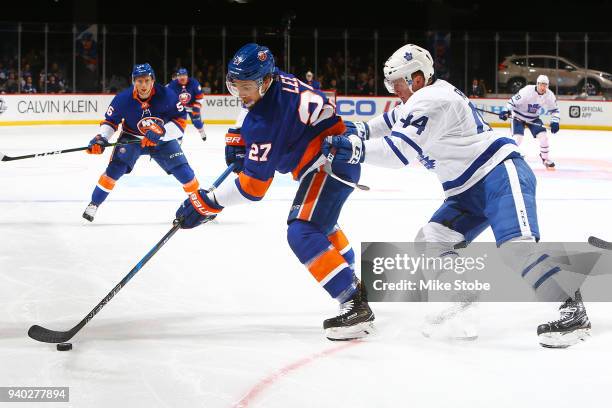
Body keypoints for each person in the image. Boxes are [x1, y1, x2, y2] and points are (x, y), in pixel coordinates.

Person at [324, 44, 590, 348]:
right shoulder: (422, 98)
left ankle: (572, 308)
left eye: (397, 82)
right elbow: (384, 124)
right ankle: (462, 299)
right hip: (466, 188)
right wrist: (352, 130)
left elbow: (397, 153)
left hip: (498, 173)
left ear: (418, 78)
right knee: (431, 239)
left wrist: (352, 148)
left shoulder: (431, 100)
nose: (394, 89)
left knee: (516, 249)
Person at [175, 43, 375, 341]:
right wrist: (237, 135)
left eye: (247, 86)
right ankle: (352, 281)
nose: (241, 94)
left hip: (329, 165)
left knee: (303, 231)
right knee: (322, 224)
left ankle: (355, 303)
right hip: (334, 158)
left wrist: (209, 202)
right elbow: (254, 110)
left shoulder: (266, 122)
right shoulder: (275, 81)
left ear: (266, 81)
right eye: (235, 85)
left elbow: (253, 189)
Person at [82, 63, 201, 222]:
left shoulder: (168, 95)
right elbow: (110, 122)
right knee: (114, 170)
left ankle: (201, 205)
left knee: (185, 173)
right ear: (133, 81)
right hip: (132, 139)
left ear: (153, 80)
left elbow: (180, 122)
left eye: (146, 80)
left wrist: (161, 133)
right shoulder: (122, 99)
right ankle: (94, 204)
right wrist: (101, 138)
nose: (143, 85)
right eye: (139, 81)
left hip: (162, 140)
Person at [499, 74, 559, 170]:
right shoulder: (527, 91)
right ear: (537, 84)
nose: (543, 87)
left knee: (544, 137)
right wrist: (506, 111)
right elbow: (512, 102)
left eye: (545, 85)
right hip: (518, 117)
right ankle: (508, 157)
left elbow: (555, 110)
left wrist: (555, 121)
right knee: (518, 139)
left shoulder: (549, 95)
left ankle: (545, 158)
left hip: (533, 118)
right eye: (541, 84)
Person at [166, 68, 207, 142]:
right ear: (177, 76)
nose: (182, 77)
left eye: (184, 75)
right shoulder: (172, 85)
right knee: (178, 124)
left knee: (197, 122)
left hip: (192, 105)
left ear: (187, 76)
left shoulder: (194, 83)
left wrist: (196, 107)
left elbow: (200, 97)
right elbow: (167, 97)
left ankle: (201, 131)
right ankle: (179, 140)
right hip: (179, 107)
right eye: (180, 75)